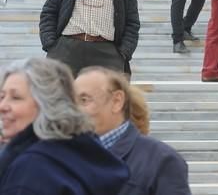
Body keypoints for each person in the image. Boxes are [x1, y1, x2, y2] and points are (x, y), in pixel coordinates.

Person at [0, 57, 128, 194]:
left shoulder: (31, 170)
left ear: (47, 104)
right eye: (2, 97)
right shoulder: (83, 152)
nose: (2, 106)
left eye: (16, 97)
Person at [74, 67, 191, 195]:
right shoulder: (65, 156)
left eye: (84, 100)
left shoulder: (162, 161)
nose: (74, 111)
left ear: (117, 101)